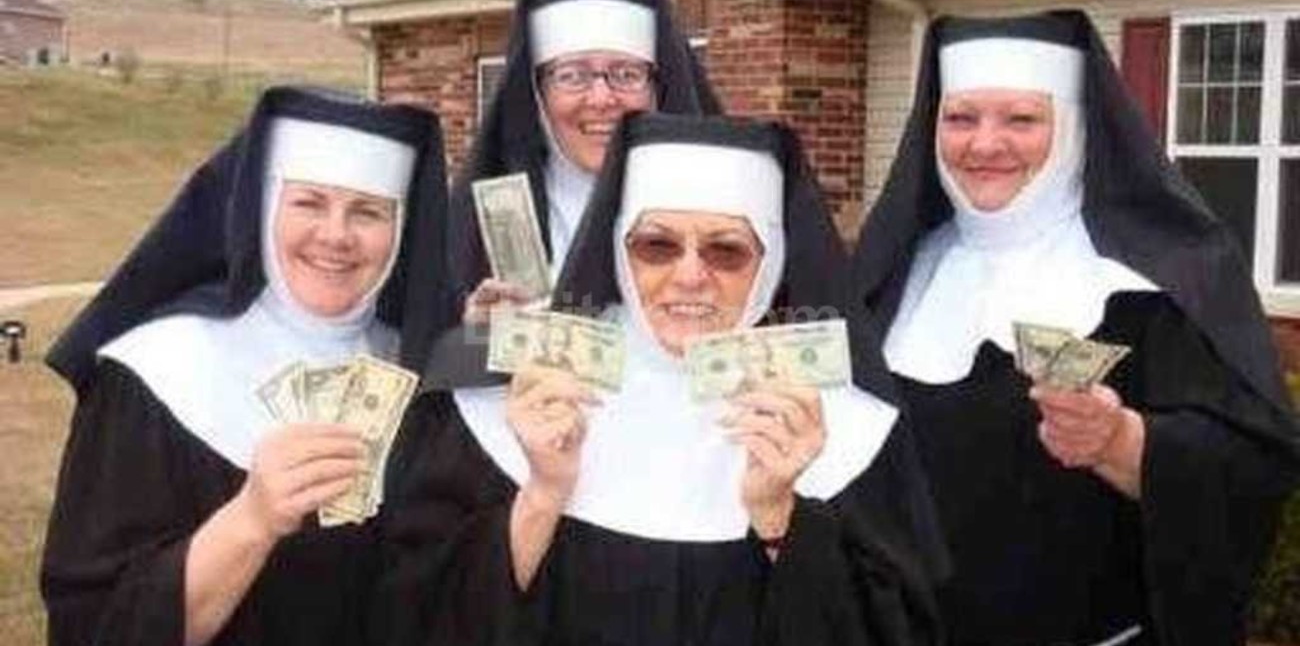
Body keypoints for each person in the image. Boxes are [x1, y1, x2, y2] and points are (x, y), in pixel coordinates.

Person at [379, 112, 947, 646]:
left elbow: (895, 628)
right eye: (657, 246)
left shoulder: (848, 425)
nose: (690, 276)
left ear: (772, 259)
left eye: (727, 251)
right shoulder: (510, 395)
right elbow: (425, 613)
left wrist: (780, 517)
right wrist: (543, 493)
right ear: (618, 250)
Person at [852, 10, 1300, 646]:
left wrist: (1125, 442)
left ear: (1074, 128)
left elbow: (1253, 465)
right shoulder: (894, 275)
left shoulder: (1157, 284)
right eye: (960, 118)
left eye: (1021, 119)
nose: (984, 144)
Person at [40, 86, 452, 646]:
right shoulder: (154, 372)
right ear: (263, 208)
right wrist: (251, 522)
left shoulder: (419, 375)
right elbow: (92, 623)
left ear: (401, 230)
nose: (336, 235)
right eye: (309, 202)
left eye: (368, 211)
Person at [448, 0, 720, 325]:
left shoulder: (729, 216)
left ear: (657, 89)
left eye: (627, 74)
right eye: (572, 76)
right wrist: (472, 338)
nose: (602, 99)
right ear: (537, 93)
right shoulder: (472, 230)